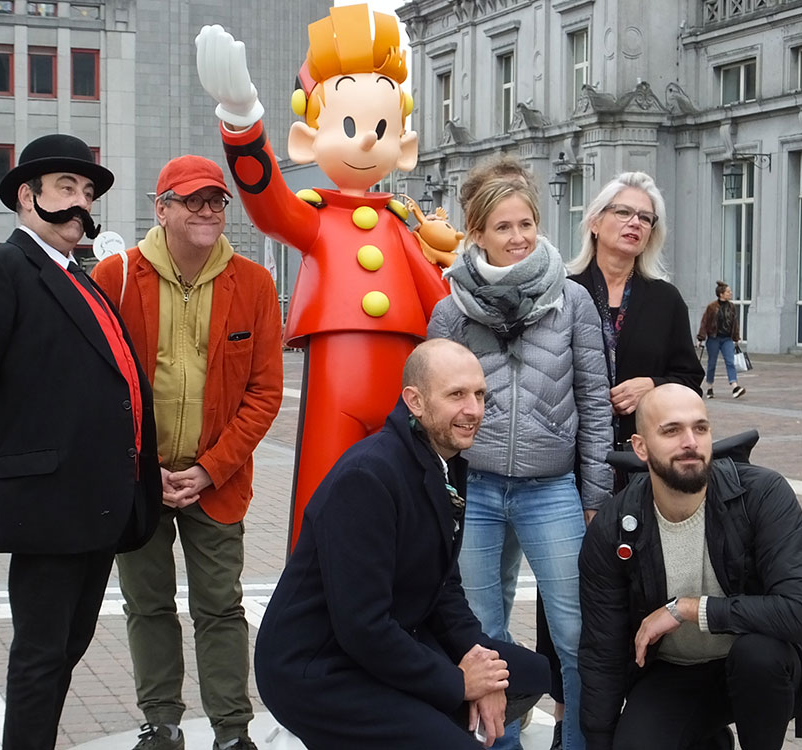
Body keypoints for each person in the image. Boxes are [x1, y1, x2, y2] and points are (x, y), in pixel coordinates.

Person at [0, 133, 162, 750]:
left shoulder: (79, 278)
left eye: (87, 192)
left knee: (66, 650)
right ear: (26, 197)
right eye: (65, 188)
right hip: (46, 504)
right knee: (39, 658)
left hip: (99, 505)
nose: (80, 203)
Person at [195, 4, 448, 551]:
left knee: (400, 492)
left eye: (380, 129)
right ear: (306, 140)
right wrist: (241, 120)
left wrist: (459, 266)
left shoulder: (403, 226)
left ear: (403, 146)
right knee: (323, 483)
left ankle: (393, 586)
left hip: (403, 377)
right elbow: (267, 201)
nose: (365, 141)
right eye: (349, 126)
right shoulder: (315, 218)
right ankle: (312, 586)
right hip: (335, 372)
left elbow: (443, 306)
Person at [254, 339, 550, 750]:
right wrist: (458, 683)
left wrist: (481, 666)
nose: (474, 410)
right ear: (415, 401)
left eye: (480, 394)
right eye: (456, 395)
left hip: (390, 640)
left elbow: (445, 589)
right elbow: (362, 627)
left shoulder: (439, 460)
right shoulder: (368, 476)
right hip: (318, 666)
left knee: (532, 673)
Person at [91, 155, 283, 750]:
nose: (207, 210)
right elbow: (96, 385)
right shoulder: (117, 277)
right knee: (147, 604)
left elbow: (264, 393)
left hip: (217, 482)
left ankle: (232, 731)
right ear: (162, 208)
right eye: (192, 200)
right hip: (137, 481)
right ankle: (162, 723)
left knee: (221, 606)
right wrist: (145, 469)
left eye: (216, 201)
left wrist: (207, 469)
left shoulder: (253, 283)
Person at [428, 163, 612, 750]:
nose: (518, 237)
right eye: (503, 226)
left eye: (526, 223)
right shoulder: (451, 310)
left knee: (576, 633)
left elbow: (595, 402)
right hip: (475, 491)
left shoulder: (572, 300)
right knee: (483, 638)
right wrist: (437, 493)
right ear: (477, 233)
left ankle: (578, 743)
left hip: (551, 489)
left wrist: (595, 495)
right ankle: (500, 744)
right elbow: (431, 413)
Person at [578, 383, 802, 750]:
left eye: (700, 428)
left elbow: (798, 612)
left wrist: (687, 609)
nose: (690, 442)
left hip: (761, 668)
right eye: (672, 430)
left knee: (758, 656)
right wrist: (598, 741)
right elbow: (602, 650)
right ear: (640, 447)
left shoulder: (762, 494)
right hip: (676, 670)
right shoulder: (614, 526)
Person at [568, 172, 704, 447]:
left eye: (645, 218)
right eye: (623, 212)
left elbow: (690, 380)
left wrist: (653, 385)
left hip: (642, 450)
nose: (634, 223)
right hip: (571, 449)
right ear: (595, 222)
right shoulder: (566, 292)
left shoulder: (666, 299)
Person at [697, 281, 745, 399]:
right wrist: (701, 338)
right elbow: (704, 322)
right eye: (728, 292)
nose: (730, 293)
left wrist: (736, 337)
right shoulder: (712, 307)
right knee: (712, 363)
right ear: (721, 294)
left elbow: (735, 323)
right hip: (714, 338)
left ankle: (735, 387)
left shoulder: (732, 306)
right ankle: (710, 387)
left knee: (730, 362)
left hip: (727, 339)